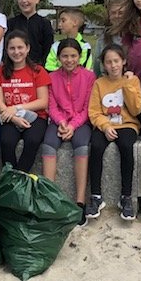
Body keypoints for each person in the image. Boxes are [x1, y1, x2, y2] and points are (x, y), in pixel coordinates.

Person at [42, 39, 95, 226]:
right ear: (58, 58)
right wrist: (62, 122)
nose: (69, 60)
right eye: (65, 56)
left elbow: (88, 106)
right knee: (48, 146)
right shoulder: (53, 77)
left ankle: (80, 201)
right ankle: (50, 198)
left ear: (80, 57)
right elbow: (52, 105)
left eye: (73, 56)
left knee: (81, 147)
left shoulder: (89, 77)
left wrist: (73, 125)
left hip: (80, 122)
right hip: (59, 121)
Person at [89, 44, 141, 221]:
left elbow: (136, 110)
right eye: (108, 62)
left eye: (116, 61)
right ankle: (96, 196)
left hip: (127, 124)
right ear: (103, 65)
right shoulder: (99, 83)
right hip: (105, 124)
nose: (113, 65)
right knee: (96, 147)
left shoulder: (133, 81)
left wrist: (127, 85)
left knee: (127, 147)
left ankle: (126, 196)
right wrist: (105, 126)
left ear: (124, 61)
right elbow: (94, 111)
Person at [0, 30, 50, 173]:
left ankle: (19, 176)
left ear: (28, 48)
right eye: (12, 48)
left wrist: (17, 108)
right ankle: (10, 177)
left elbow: (43, 102)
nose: (16, 52)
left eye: (20, 47)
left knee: (32, 140)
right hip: (10, 117)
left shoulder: (38, 71)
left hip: (36, 116)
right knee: (7, 142)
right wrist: (13, 117)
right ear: (6, 50)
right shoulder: (0, 71)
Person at [6, 0, 54, 66]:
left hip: (37, 69)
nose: (24, 1)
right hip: (15, 69)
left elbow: (48, 49)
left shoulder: (45, 24)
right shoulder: (11, 23)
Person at [93, 0, 129, 76]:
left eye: (121, 13)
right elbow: (97, 67)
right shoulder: (103, 39)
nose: (117, 16)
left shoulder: (134, 37)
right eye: (113, 13)